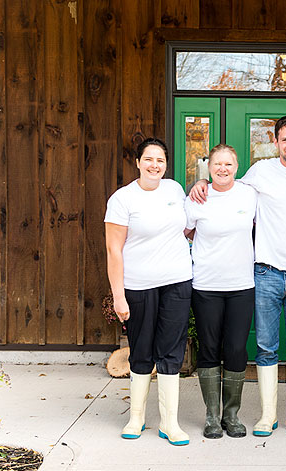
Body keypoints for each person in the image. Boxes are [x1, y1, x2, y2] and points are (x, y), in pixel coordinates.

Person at [189, 115, 286, 437]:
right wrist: (200, 184)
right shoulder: (259, 173)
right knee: (265, 347)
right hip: (266, 272)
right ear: (275, 142)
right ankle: (266, 416)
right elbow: (226, 188)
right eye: (284, 139)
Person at [105, 137, 191, 446]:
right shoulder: (123, 199)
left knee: (171, 351)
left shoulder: (174, 190)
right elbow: (114, 250)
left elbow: (185, 228)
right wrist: (118, 295)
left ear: (166, 165)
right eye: (149, 159)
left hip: (178, 281)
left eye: (161, 160)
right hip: (139, 285)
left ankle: (169, 422)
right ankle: (137, 417)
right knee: (141, 349)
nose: (155, 165)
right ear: (139, 162)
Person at [184, 144, 257, 439]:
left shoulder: (249, 194)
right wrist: (196, 184)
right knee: (210, 347)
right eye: (217, 164)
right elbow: (184, 233)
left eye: (228, 164)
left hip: (241, 285)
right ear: (209, 167)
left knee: (237, 348)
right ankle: (212, 416)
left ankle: (232, 414)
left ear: (236, 167)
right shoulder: (197, 198)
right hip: (206, 285)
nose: (223, 169)